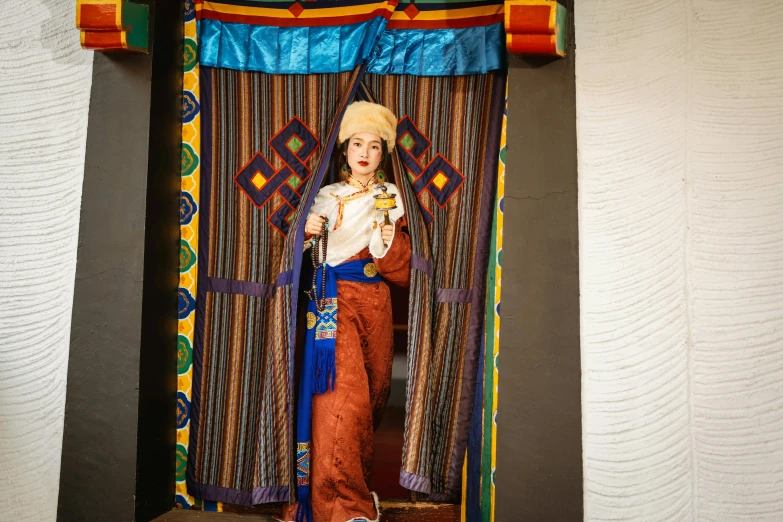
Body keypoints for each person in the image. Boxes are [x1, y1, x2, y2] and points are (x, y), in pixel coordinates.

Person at [280, 101, 411, 522]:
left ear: (383, 155)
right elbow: (287, 255)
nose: (365, 153)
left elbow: (407, 273)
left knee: (369, 403)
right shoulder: (324, 198)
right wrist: (305, 233)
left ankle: (352, 491)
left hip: (374, 305)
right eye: (358, 143)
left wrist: (391, 239)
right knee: (343, 402)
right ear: (344, 149)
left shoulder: (393, 201)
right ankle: (342, 507)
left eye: (374, 146)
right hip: (330, 302)